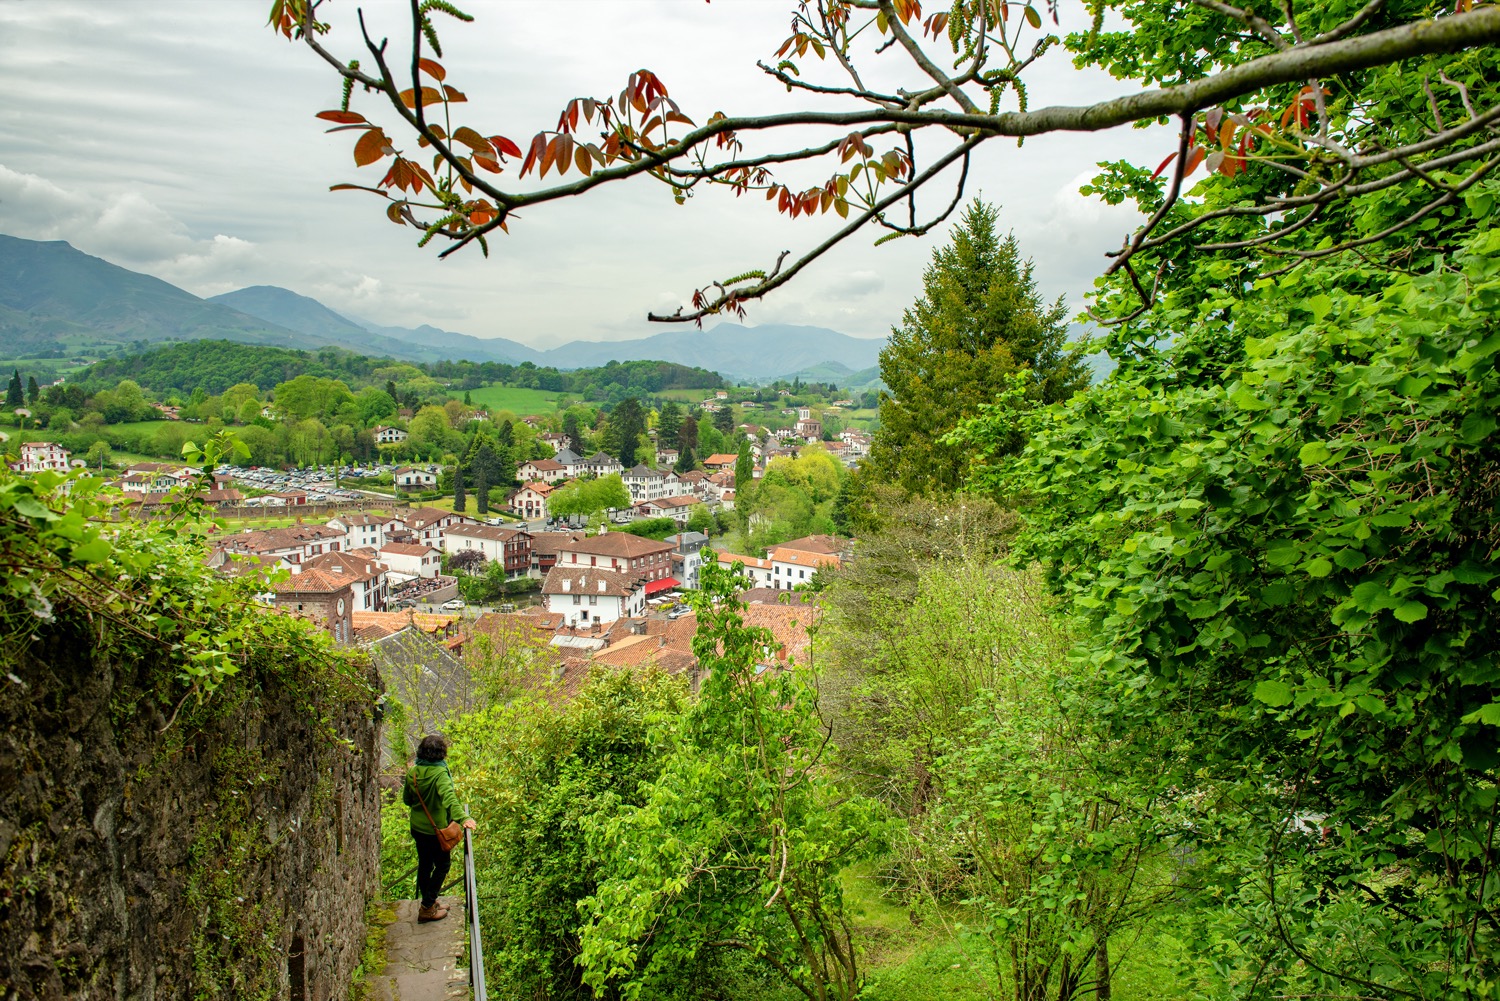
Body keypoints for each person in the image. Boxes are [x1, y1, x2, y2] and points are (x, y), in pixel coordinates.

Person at [403, 734, 476, 922]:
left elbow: (407, 800)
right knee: (443, 865)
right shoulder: (440, 774)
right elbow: (449, 798)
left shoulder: (413, 772)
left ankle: (429, 901)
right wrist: (464, 817)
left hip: (417, 828)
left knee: (425, 864)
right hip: (435, 831)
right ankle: (427, 907)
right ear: (441, 753)